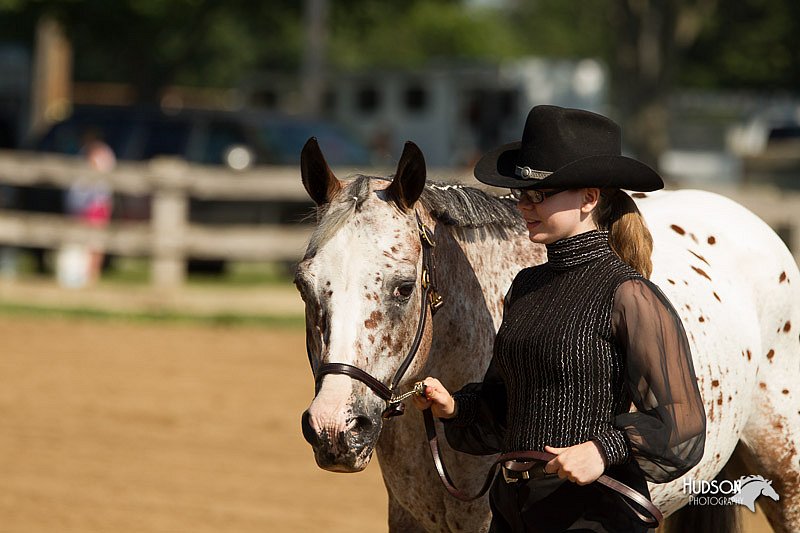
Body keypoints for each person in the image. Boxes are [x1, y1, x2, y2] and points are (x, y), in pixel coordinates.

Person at [412, 105, 706, 532]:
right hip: (512, 508)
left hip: (592, 512)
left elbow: (683, 419)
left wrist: (603, 449)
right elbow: (505, 404)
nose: (525, 206)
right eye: (521, 195)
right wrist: (455, 407)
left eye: (540, 194)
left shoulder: (630, 294)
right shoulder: (525, 286)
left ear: (589, 198)